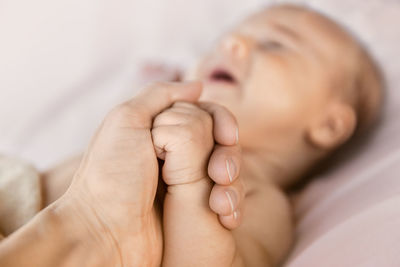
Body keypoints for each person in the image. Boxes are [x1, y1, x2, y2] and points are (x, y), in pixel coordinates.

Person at [0, 4, 383, 267]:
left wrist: (192, 185)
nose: (232, 44)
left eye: (275, 43)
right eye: (222, 41)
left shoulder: (258, 198)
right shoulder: (151, 116)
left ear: (329, 125)